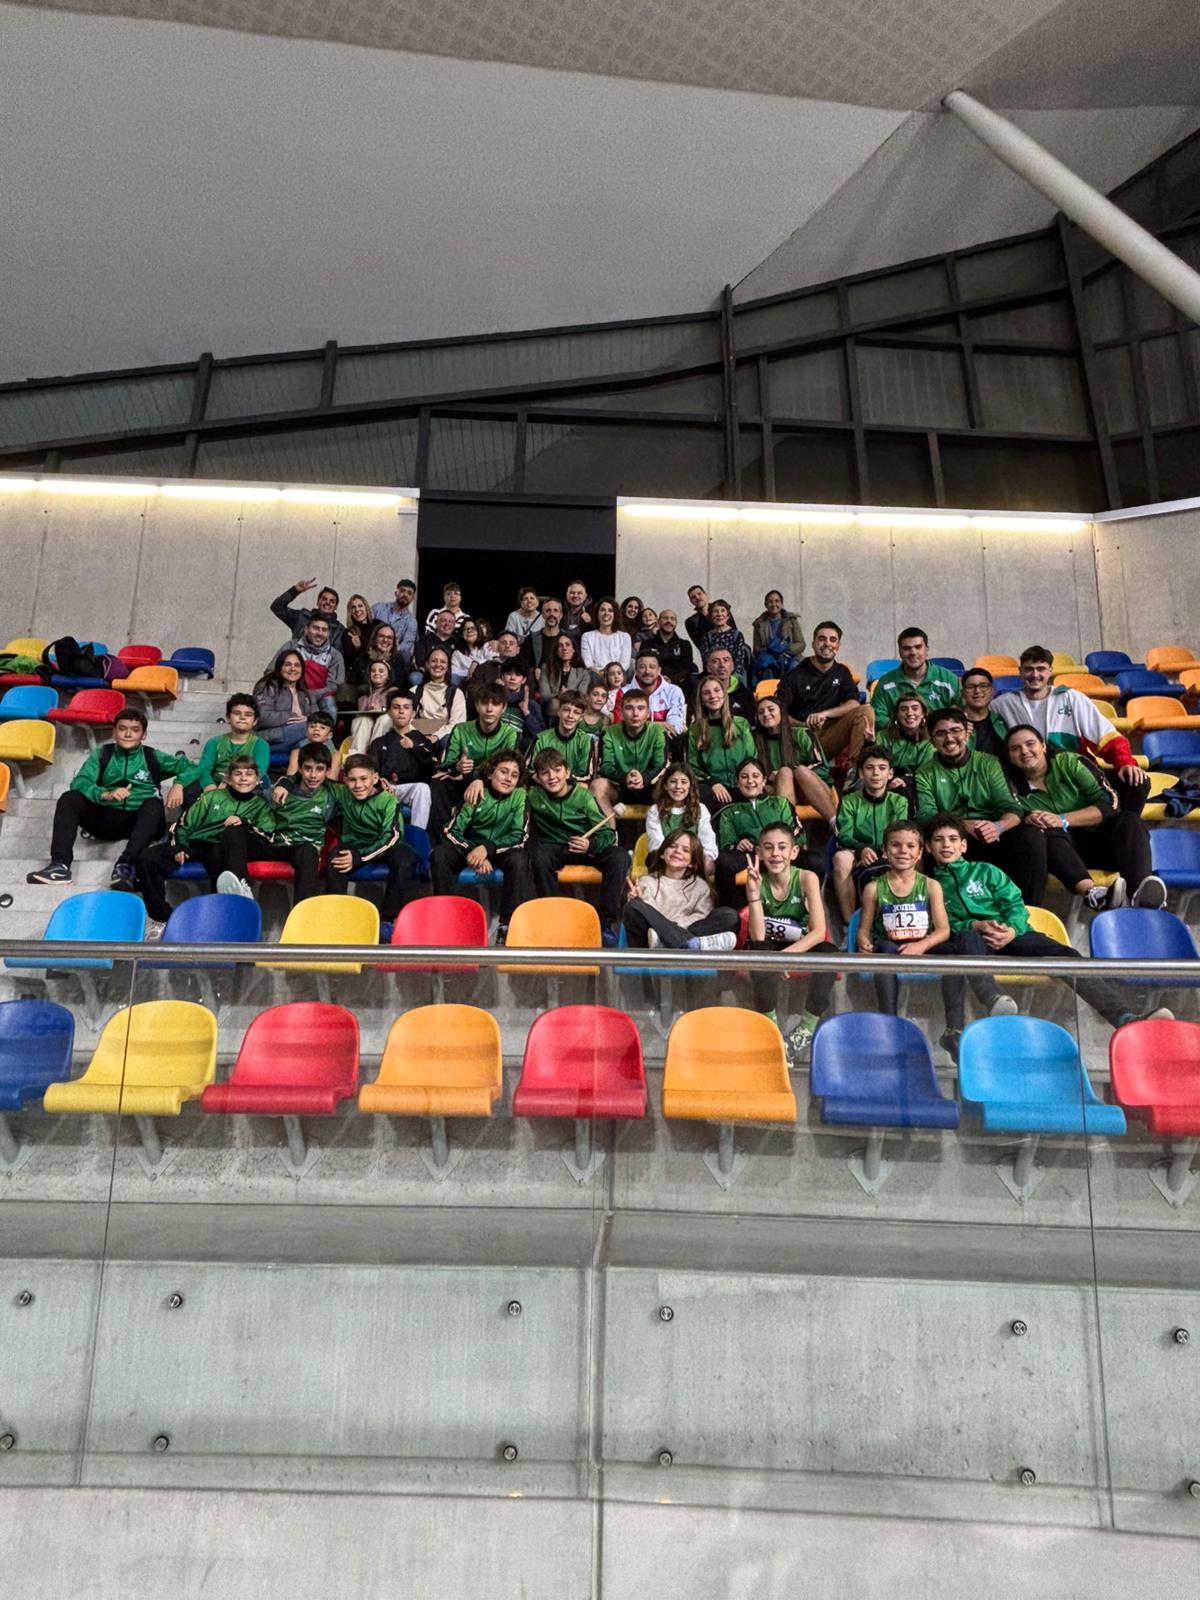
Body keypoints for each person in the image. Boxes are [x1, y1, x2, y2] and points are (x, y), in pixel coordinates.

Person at [926, 812, 1171, 1060]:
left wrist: (1011, 929)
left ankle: (1125, 1017)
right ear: (928, 847)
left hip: (1012, 934)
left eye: (953, 839)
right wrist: (976, 925)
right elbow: (943, 925)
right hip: (974, 941)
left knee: (1066, 955)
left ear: (964, 845)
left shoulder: (986, 871)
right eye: (938, 840)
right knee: (965, 939)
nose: (946, 845)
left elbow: (1015, 905)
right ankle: (993, 1000)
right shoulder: (929, 885)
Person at [856, 818, 997, 1042]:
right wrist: (863, 941)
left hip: (925, 946)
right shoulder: (873, 888)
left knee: (955, 954)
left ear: (920, 852)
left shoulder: (931, 886)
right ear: (885, 850)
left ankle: (954, 1029)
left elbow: (943, 930)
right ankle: (888, 1023)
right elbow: (864, 929)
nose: (903, 851)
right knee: (883, 950)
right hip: (892, 948)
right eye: (896, 845)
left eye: (911, 846)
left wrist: (921, 946)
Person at [28, 707, 198, 887]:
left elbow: (192, 767)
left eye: (135, 730)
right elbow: (80, 782)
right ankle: (60, 866)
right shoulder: (102, 754)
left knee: (154, 804)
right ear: (114, 732)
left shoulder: (152, 756)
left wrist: (178, 784)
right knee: (69, 798)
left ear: (144, 735)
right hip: (106, 819)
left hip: (142, 823)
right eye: (122, 729)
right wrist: (105, 794)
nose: (128, 734)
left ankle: (125, 865)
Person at [1004, 724, 1166, 909]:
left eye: (1030, 744)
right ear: (1009, 756)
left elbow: (1109, 804)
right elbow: (1009, 817)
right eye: (1015, 749)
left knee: (1129, 820)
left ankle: (1140, 895)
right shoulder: (1008, 786)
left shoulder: (1070, 762)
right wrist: (1026, 819)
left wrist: (1062, 819)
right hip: (1060, 857)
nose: (1024, 751)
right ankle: (1094, 894)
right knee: (1043, 832)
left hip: (1098, 843)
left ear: (1043, 746)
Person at [992, 645, 1150, 812]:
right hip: (1030, 779)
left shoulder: (1072, 698)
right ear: (1020, 671)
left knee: (1137, 782)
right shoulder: (1002, 705)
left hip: (1076, 774)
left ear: (1051, 671)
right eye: (1029, 669)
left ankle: (1123, 824)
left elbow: (1107, 737)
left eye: (1041, 669)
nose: (1035, 675)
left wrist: (1125, 763)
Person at [916, 707, 1046, 904]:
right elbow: (927, 815)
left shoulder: (989, 762)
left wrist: (998, 826)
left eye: (955, 731)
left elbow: (1011, 807)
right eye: (941, 734)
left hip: (992, 834)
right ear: (932, 741)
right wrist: (963, 826)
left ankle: (1029, 909)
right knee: (930, 844)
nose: (949, 739)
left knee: (1031, 837)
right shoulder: (925, 773)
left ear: (967, 733)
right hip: (954, 839)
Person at [136, 754, 277, 936]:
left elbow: (267, 833)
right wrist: (181, 846)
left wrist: (245, 822)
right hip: (194, 843)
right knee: (147, 858)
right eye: (237, 774)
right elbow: (184, 823)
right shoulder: (212, 797)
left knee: (219, 860)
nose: (243, 778)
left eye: (249, 774)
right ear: (228, 778)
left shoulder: (261, 806)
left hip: (220, 847)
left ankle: (217, 922)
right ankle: (162, 919)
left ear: (258, 780)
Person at [744, 823, 839, 1058]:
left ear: (794, 852)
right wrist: (753, 895)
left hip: (800, 945)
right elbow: (758, 936)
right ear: (759, 853)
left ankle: (806, 1029)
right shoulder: (758, 881)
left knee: (829, 952)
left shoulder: (807, 878)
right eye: (768, 848)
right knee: (758, 951)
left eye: (782, 847)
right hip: (770, 946)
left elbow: (819, 931)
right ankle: (770, 1028)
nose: (775, 853)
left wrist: (787, 957)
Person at [527, 747, 630, 944]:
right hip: (555, 849)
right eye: (545, 773)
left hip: (585, 848)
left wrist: (591, 845)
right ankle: (551, 919)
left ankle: (605, 924)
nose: (552, 777)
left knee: (619, 857)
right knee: (538, 856)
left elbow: (608, 834)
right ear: (538, 778)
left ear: (567, 772)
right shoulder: (533, 796)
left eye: (557, 770)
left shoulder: (584, 797)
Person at [431, 749, 532, 935]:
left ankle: (508, 926)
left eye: (514, 775)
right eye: (503, 772)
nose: (508, 779)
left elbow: (519, 836)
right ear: (490, 773)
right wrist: (475, 851)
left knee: (519, 858)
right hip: (469, 847)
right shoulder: (477, 792)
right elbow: (451, 831)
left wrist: (487, 849)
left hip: (500, 849)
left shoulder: (520, 796)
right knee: (440, 854)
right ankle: (448, 920)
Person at [324, 754, 420, 933]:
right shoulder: (342, 793)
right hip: (355, 845)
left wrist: (359, 857)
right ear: (345, 780)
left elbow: (391, 838)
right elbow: (315, 779)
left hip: (385, 846)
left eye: (364, 779)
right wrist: (284, 784)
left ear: (375, 778)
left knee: (405, 857)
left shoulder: (389, 800)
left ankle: (388, 921)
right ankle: (336, 919)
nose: (358, 785)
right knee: (335, 857)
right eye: (352, 780)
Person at [775, 620, 874, 770]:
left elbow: (853, 703)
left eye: (832, 640)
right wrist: (804, 724)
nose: (827, 644)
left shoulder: (842, 672)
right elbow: (778, 711)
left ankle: (854, 771)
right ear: (813, 644)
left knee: (866, 711)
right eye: (821, 639)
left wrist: (824, 714)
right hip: (802, 738)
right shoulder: (795, 674)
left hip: (829, 735)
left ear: (838, 646)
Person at [830, 743, 911, 924]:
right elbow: (844, 836)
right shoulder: (849, 801)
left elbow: (900, 832)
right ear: (860, 773)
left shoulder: (900, 801)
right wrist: (861, 849)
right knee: (841, 858)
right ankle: (849, 923)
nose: (876, 773)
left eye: (882, 768)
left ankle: (905, 916)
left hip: (890, 850)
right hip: (857, 852)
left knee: (911, 854)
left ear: (890, 774)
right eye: (869, 768)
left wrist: (887, 850)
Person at [622, 829, 739, 952]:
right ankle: (690, 943)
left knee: (730, 916)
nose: (677, 851)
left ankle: (667, 942)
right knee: (632, 907)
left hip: (665, 935)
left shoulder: (700, 886)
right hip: (651, 938)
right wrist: (639, 899)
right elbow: (650, 916)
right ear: (662, 854)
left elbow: (702, 917)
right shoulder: (646, 881)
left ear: (692, 862)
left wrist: (672, 928)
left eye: (685, 850)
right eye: (673, 846)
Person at [430, 685, 520, 835]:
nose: (489, 709)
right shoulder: (460, 729)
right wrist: (457, 766)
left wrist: (478, 778)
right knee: (437, 783)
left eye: (495, 704)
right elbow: (447, 764)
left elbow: (508, 767)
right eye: (484, 703)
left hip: (492, 783)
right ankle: (440, 836)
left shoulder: (510, 734)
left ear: (503, 708)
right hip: (462, 781)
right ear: (477, 706)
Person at [256, 743, 337, 901]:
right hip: (275, 845)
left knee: (308, 851)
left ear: (327, 771)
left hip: (303, 851)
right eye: (308, 768)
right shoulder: (281, 791)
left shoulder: (333, 795)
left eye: (320, 769)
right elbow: (252, 796)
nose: (313, 775)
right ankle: (239, 889)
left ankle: (302, 912)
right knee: (234, 833)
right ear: (299, 768)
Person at [714, 757, 798, 903]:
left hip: (782, 851)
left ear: (764, 781)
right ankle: (731, 910)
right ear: (737, 782)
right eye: (744, 777)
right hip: (751, 854)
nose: (750, 781)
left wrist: (776, 847)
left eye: (755, 776)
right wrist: (738, 844)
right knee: (723, 863)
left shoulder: (780, 803)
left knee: (815, 861)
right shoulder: (729, 811)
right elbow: (727, 843)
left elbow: (794, 831)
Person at [753, 695, 835, 822]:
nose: (766, 714)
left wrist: (793, 773)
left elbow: (822, 766)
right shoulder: (755, 742)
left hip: (811, 790)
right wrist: (771, 777)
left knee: (798, 771)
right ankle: (788, 827)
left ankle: (835, 824)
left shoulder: (802, 733)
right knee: (784, 773)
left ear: (781, 712)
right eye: (761, 712)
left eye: (771, 709)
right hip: (778, 791)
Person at [368, 688, 435, 833]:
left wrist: (414, 748)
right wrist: (380, 782)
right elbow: (371, 770)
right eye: (396, 707)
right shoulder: (379, 742)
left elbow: (431, 768)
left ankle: (417, 836)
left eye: (406, 707)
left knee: (422, 789)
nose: (401, 711)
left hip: (411, 790)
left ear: (414, 713)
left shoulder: (422, 741)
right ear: (389, 712)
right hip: (385, 789)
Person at [687, 676, 757, 813]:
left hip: (741, 783)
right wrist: (713, 782)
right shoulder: (695, 730)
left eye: (716, 690)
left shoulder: (741, 724)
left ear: (724, 695)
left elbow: (751, 758)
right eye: (706, 693)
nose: (713, 696)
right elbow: (693, 765)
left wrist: (743, 781)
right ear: (701, 699)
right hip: (712, 787)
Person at [593, 688, 669, 813]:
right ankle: (608, 826)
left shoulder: (658, 732)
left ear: (648, 713)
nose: (635, 713)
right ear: (622, 713)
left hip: (651, 786)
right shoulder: (609, 733)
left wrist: (644, 777)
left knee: (669, 783)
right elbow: (606, 767)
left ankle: (663, 826)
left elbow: (661, 764)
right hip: (619, 787)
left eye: (640, 708)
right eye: (629, 708)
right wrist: (624, 778)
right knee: (598, 785)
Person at [870, 628, 961, 727]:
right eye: (906, 648)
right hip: (898, 735)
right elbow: (877, 717)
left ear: (926, 650)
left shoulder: (948, 679)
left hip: (938, 734)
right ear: (900, 652)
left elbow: (964, 710)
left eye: (918, 647)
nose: (913, 652)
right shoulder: (886, 683)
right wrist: (905, 728)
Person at [645, 764, 718, 866]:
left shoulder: (701, 809)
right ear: (665, 785)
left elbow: (707, 839)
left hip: (693, 859)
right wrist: (675, 859)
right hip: (665, 859)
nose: (678, 786)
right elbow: (656, 842)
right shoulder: (655, 810)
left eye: (684, 782)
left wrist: (706, 858)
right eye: (673, 781)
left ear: (690, 786)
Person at [197, 693, 270, 790]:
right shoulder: (214, 742)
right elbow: (204, 770)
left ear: (255, 721)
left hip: (246, 785)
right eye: (237, 713)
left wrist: (230, 782)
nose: (242, 717)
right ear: (228, 717)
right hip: (216, 784)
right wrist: (209, 786)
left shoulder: (260, 745)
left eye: (248, 715)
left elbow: (259, 772)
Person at [254, 648, 315, 752]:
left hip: (298, 738)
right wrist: (290, 717)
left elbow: (316, 716)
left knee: (313, 738)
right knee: (309, 729)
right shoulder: (267, 686)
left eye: (297, 665)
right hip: (271, 739)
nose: (293, 669)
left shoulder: (304, 692)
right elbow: (261, 717)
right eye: (287, 664)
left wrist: (307, 719)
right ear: (279, 667)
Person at [613, 646, 686, 734]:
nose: (647, 671)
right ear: (636, 670)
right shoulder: (624, 692)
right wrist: (657, 725)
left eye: (652, 667)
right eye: (642, 667)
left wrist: (639, 726)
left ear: (659, 670)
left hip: (664, 740)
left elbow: (675, 728)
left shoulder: (673, 691)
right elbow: (620, 726)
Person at [287, 615, 344, 722]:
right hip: (291, 692)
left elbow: (333, 685)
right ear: (306, 629)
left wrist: (312, 695)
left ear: (328, 633)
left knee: (330, 704)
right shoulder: (291, 646)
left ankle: (327, 731)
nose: (320, 633)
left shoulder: (335, 655)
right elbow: (271, 670)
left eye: (324, 630)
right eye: (316, 628)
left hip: (321, 695)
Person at [531, 691, 595, 783]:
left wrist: (565, 779)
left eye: (576, 712)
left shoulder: (586, 741)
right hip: (545, 785)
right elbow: (531, 771)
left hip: (573, 786)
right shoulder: (541, 739)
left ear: (581, 717)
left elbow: (586, 776)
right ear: (558, 712)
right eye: (566, 710)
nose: (570, 716)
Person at [270, 577, 346, 655]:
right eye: (324, 599)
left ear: (336, 606)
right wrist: (294, 591)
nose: (327, 602)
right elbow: (277, 607)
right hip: (297, 661)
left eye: (332, 601)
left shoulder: (340, 630)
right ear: (318, 602)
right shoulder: (302, 617)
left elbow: (338, 656)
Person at [412, 646, 466, 750]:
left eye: (443, 662)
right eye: (434, 661)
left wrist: (435, 736)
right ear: (427, 664)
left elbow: (457, 724)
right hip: (418, 736)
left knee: (450, 740)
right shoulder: (414, 691)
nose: (438, 665)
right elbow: (406, 720)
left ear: (448, 667)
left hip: (443, 738)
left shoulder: (456, 693)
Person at [876, 691, 933, 786]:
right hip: (884, 781)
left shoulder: (930, 741)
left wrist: (906, 780)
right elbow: (876, 763)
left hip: (916, 784)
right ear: (897, 714)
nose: (909, 713)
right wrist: (869, 743)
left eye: (915, 709)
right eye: (903, 709)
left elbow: (927, 771)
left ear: (923, 713)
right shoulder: (883, 736)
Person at [751, 590, 805, 684]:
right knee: (766, 668)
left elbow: (801, 644)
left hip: (789, 657)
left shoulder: (791, 620)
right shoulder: (759, 624)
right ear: (765, 605)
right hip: (769, 658)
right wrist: (769, 652)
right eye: (770, 601)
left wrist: (786, 650)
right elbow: (756, 649)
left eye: (777, 601)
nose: (774, 604)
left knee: (795, 669)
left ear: (782, 604)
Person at [537, 632, 591, 716]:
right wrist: (559, 695)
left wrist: (566, 695)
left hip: (573, 707)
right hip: (551, 708)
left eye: (568, 645)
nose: (564, 648)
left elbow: (581, 695)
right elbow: (545, 695)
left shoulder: (583, 673)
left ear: (574, 649)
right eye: (560, 645)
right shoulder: (546, 669)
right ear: (556, 651)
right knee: (555, 703)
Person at [347, 659, 394, 755]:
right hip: (368, 722)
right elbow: (361, 712)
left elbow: (392, 709)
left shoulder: (393, 691)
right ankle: (356, 756)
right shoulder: (364, 695)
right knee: (363, 720)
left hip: (384, 722)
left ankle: (375, 754)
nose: (377, 673)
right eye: (373, 671)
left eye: (381, 671)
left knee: (384, 719)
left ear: (388, 676)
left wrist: (381, 708)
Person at [699, 599, 750, 685]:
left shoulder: (737, 635)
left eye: (722, 610)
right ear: (711, 616)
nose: (719, 614)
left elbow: (739, 661)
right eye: (715, 611)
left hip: (734, 674)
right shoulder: (706, 637)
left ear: (728, 615)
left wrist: (727, 677)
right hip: (713, 674)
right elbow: (707, 662)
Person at [371, 578, 419, 669]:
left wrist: (387, 653)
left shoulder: (412, 622)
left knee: (405, 656)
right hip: (372, 651)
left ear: (413, 598)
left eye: (409, 593)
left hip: (394, 657)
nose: (405, 595)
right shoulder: (378, 608)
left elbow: (406, 646)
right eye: (402, 591)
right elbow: (366, 626)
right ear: (396, 593)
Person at [960, 667, 1007, 757]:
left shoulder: (1002, 721)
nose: (977, 691)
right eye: (970, 687)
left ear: (992, 691)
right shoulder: (955, 725)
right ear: (962, 693)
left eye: (984, 686)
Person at [582, 598, 632, 679]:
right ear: (597, 614)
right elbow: (588, 663)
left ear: (615, 615)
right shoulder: (587, 636)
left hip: (617, 677)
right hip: (595, 677)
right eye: (602, 610)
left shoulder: (625, 637)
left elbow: (624, 664)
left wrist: (610, 674)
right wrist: (600, 674)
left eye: (610, 610)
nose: (606, 613)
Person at [703, 647, 756, 723]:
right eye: (715, 661)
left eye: (726, 660)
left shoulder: (745, 694)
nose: (722, 665)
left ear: (732, 666)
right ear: (708, 667)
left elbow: (750, 723)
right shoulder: (700, 693)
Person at [411, 609, 462, 686]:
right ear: (436, 623)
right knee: (415, 677)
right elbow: (419, 661)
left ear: (454, 625)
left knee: (455, 678)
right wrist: (435, 673)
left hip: (448, 676)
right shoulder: (425, 640)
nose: (447, 624)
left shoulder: (458, 643)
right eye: (443, 620)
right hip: (427, 675)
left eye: (451, 621)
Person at [285, 710, 340, 781]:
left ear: (330, 735)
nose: (316, 729)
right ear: (306, 733)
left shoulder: (335, 754)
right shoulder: (297, 752)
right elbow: (291, 775)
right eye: (312, 726)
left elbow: (331, 777)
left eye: (322, 728)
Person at [646, 608, 694, 690]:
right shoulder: (647, 644)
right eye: (665, 618)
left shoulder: (684, 644)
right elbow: (645, 665)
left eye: (672, 619)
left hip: (678, 684)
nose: (669, 621)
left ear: (676, 623)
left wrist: (672, 679)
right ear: (658, 622)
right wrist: (660, 679)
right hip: (653, 683)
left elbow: (687, 668)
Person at [450, 618, 496, 686]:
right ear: (462, 634)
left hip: (487, 684)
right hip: (466, 685)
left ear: (478, 631)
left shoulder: (487, 646)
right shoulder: (457, 653)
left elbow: (494, 664)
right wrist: (469, 672)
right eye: (465, 629)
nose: (469, 631)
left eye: (473, 628)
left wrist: (477, 662)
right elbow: (454, 674)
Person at [340, 594, 374, 683]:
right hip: (360, 677)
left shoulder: (377, 626)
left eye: (360, 606)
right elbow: (348, 661)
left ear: (366, 608)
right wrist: (357, 648)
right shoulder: (349, 632)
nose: (357, 609)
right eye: (353, 607)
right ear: (350, 612)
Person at [526, 597, 566, 670]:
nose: (551, 614)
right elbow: (524, 664)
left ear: (561, 615)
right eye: (548, 611)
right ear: (543, 615)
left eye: (555, 611)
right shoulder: (531, 639)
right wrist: (534, 671)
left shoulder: (568, 639)